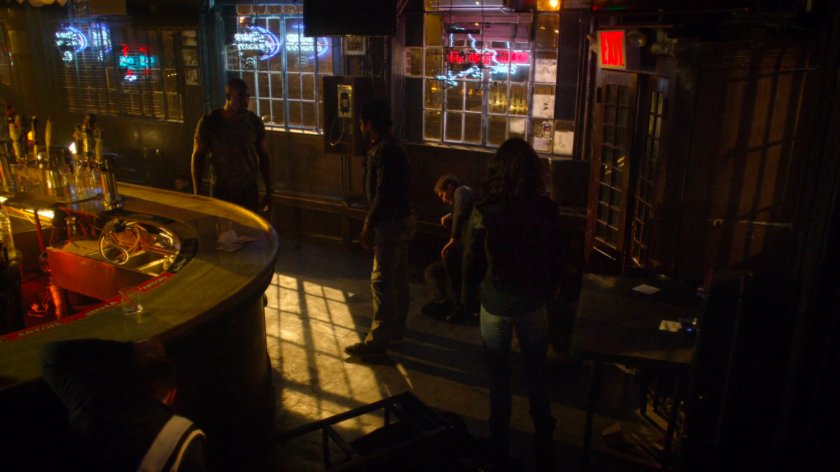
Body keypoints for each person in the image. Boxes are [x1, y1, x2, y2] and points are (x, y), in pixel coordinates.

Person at [461, 137, 564, 467]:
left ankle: (500, 444)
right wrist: (552, 289)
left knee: (499, 376)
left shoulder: (485, 210)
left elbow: (472, 258)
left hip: (495, 301)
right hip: (533, 300)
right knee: (537, 372)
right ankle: (544, 441)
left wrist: (467, 294)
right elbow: (555, 256)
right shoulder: (546, 210)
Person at [41, 338, 206, 471]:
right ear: (172, 396)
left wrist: (132, 350)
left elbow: (52, 353)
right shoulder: (182, 438)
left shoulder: (90, 402)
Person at [344, 99, 416, 358]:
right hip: (404, 220)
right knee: (398, 279)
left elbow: (382, 193)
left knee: (382, 282)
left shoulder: (383, 150)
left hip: (391, 224)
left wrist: (367, 225)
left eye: (361, 123)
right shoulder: (393, 147)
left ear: (369, 124)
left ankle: (377, 343)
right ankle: (396, 331)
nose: (360, 127)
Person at [191, 77, 272, 213]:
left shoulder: (254, 122)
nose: (245, 102)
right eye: (240, 96)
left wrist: (269, 190)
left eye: (247, 97)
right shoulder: (210, 122)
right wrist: (197, 192)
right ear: (228, 97)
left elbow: (264, 157)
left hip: (248, 190)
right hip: (222, 191)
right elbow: (198, 158)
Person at [422, 174, 475, 322]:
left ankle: (452, 304)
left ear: (450, 187)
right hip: (468, 251)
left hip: (468, 252)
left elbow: (461, 208)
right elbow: (461, 210)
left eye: (442, 195)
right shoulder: (465, 196)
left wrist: (454, 239)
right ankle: (443, 300)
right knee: (431, 271)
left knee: (446, 257)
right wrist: (451, 215)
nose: (444, 200)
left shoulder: (461, 191)